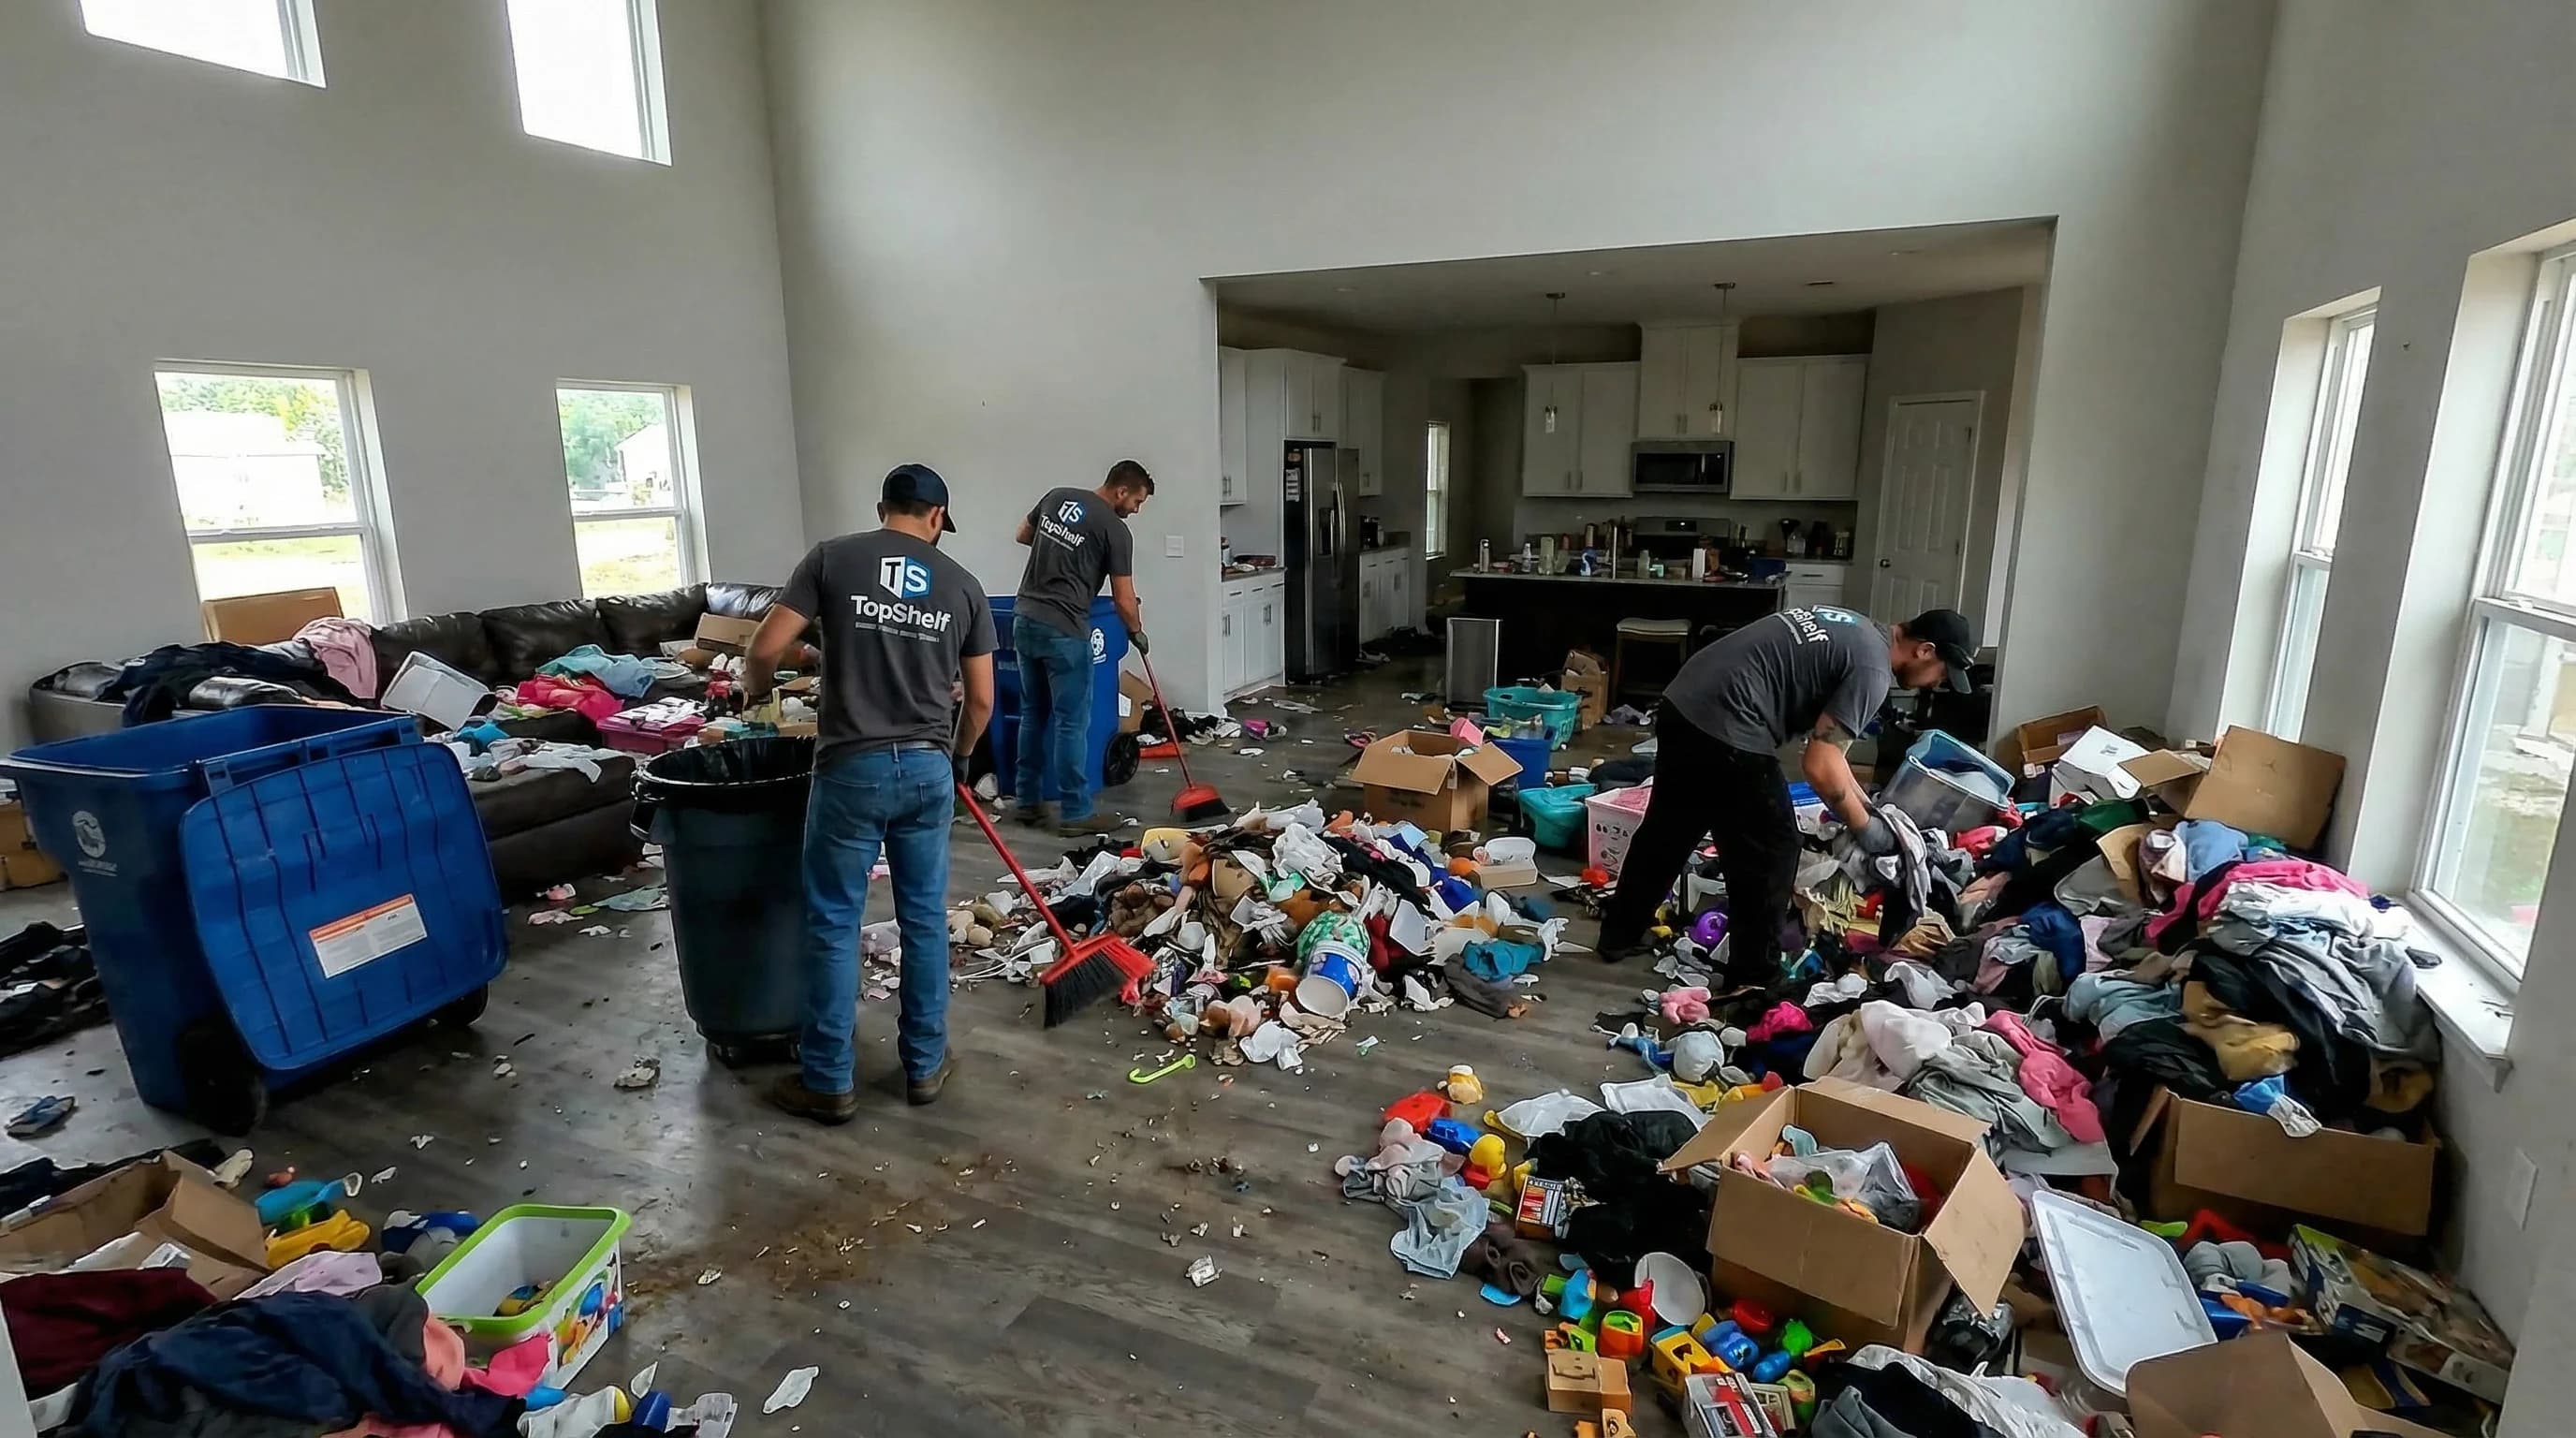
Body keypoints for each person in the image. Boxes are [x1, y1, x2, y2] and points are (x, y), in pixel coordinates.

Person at [742, 463, 996, 1123]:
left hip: (850, 769)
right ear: (937, 517)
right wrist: (960, 758)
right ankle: (924, 1065)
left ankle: (828, 1081)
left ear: (883, 506)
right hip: (925, 769)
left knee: (832, 923)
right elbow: (984, 700)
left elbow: (765, 646)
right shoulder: (962, 585)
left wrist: (754, 688)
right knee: (923, 921)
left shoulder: (833, 559)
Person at [1596, 606, 1976, 984]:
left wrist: (1868, 810)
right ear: (1925, 650)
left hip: (1687, 701)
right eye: (1942, 673)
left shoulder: (1856, 628)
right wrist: (1868, 831)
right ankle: (1754, 978)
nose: (1934, 683)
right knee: (1772, 849)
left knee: (1672, 826)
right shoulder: (1872, 671)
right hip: (1729, 724)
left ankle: (1619, 934)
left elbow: (1833, 758)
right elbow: (1820, 763)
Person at [1010, 460, 1153, 836]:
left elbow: (1023, 534)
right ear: (1121, 491)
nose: (1135, 510)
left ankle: (1027, 802)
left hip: (1024, 618)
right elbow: (1124, 598)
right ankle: (1075, 812)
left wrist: (1063, 554)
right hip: (1063, 628)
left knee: (1032, 713)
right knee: (1072, 722)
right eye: (1136, 501)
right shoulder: (1114, 530)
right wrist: (1136, 630)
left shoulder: (1056, 497)